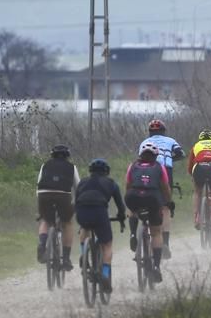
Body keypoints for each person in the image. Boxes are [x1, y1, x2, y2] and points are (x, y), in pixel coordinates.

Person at [124, 142, 172, 282]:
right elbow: (165, 188)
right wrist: (168, 202)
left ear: (141, 155)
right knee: (156, 232)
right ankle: (156, 266)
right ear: (155, 156)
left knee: (132, 209)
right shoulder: (159, 167)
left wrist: (130, 199)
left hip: (133, 196)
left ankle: (133, 233)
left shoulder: (132, 166)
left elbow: (128, 185)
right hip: (152, 198)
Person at [75, 158, 126, 289]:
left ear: (90, 170)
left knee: (84, 228)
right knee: (107, 244)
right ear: (106, 171)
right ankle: (104, 274)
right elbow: (120, 205)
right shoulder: (111, 183)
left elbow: (76, 200)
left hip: (82, 210)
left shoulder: (82, 182)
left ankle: (83, 253)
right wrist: (121, 217)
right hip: (99, 211)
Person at [137, 119, 184, 257]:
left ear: (150, 132)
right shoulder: (170, 140)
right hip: (166, 170)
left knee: (145, 198)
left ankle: (143, 229)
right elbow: (181, 153)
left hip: (146, 170)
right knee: (165, 207)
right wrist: (170, 159)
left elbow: (140, 158)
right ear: (163, 131)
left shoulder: (144, 142)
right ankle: (165, 243)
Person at [35, 144, 79, 271]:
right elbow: (78, 187)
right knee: (67, 222)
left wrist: (40, 200)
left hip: (44, 194)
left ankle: (42, 246)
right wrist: (76, 203)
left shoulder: (45, 165)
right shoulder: (72, 167)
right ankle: (66, 258)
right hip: (63, 196)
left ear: (52, 155)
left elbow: (39, 184)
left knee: (45, 219)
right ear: (67, 156)